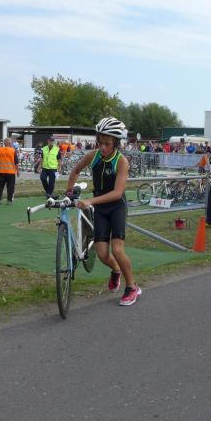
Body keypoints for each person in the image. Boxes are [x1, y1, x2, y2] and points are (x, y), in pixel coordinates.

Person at [67, 117, 141, 306]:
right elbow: (75, 170)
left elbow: (117, 193)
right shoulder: (93, 155)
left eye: (107, 144)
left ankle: (132, 287)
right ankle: (116, 270)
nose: (103, 147)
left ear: (116, 143)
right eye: (100, 142)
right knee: (101, 253)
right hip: (100, 207)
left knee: (117, 249)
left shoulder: (121, 161)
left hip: (116, 206)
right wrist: (69, 192)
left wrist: (90, 201)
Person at [0, 138, 18, 204]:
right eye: (11, 142)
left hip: (1, 171)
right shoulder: (13, 150)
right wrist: (18, 171)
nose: (12, 143)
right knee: (10, 187)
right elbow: (16, 162)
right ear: (9, 143)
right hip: (10, 172)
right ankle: (9, 200)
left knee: (0, 187)